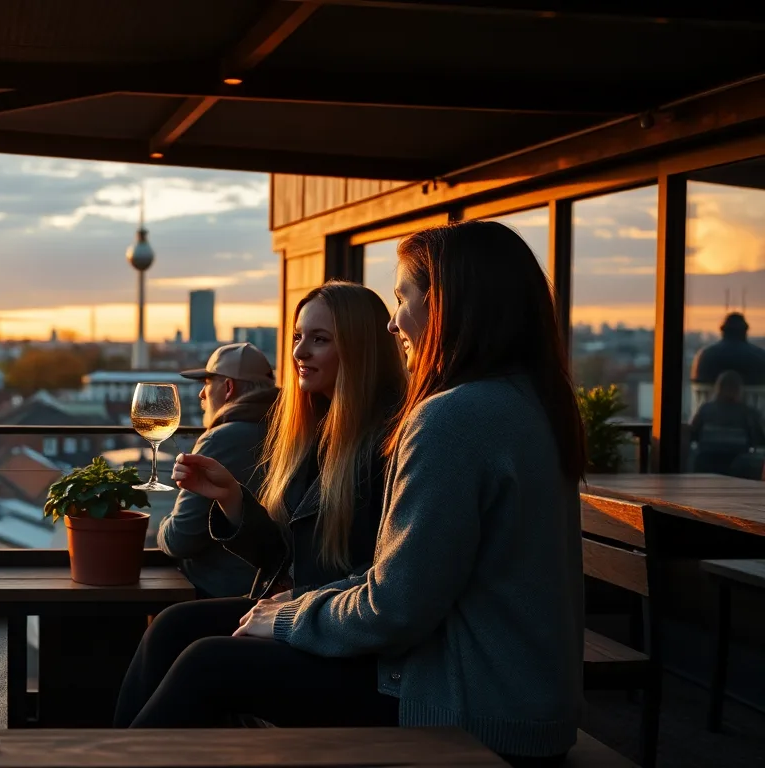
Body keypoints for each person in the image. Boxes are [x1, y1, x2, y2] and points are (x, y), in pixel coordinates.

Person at [122, 221, 587, 768]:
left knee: (208, 664)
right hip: (515, 700)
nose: (394, 322)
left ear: (447, 304)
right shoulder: (526, 405)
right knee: (187, 635)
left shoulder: (452, 419)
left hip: (463, 705)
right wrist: (243, 519)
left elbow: (394, 604)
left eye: (403, 298)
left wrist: (292, 615)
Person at [115, 280, 406, 726]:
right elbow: (289, 557)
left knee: (206, 662)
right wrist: (232, 499)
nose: (300, 352)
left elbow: (377, 582)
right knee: (171, 627)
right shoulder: (320, 431)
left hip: (350, 646)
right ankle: (117, 756)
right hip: (302, 613)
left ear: (361, 349)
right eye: (297, 337)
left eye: (320, 339)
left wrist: (287, 612)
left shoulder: (387, 444)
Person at [158, 342, 280, 599]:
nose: (201, 395)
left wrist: (161, 527)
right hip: (273, 590)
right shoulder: (287, 429)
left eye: (207, 383)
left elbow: (180, 539)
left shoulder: (222, 439)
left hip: (223, 593)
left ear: (228, 388)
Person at [689, 369, 765, 477]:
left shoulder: (706, 409)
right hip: (737, 464)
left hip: (707, 462)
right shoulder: (748, 413)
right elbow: (758, 439)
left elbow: (693, 434)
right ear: (739, 389)